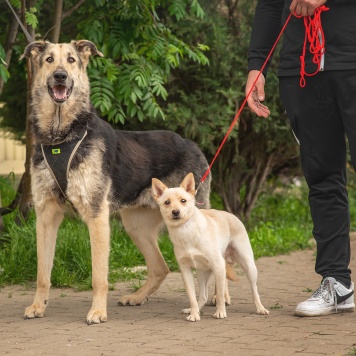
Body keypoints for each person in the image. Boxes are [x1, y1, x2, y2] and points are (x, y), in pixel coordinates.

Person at [246, 0, 356, 317]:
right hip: (302, 69)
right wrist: (257, 65)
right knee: (321, 177)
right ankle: (336, 283)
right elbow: (269, 5)